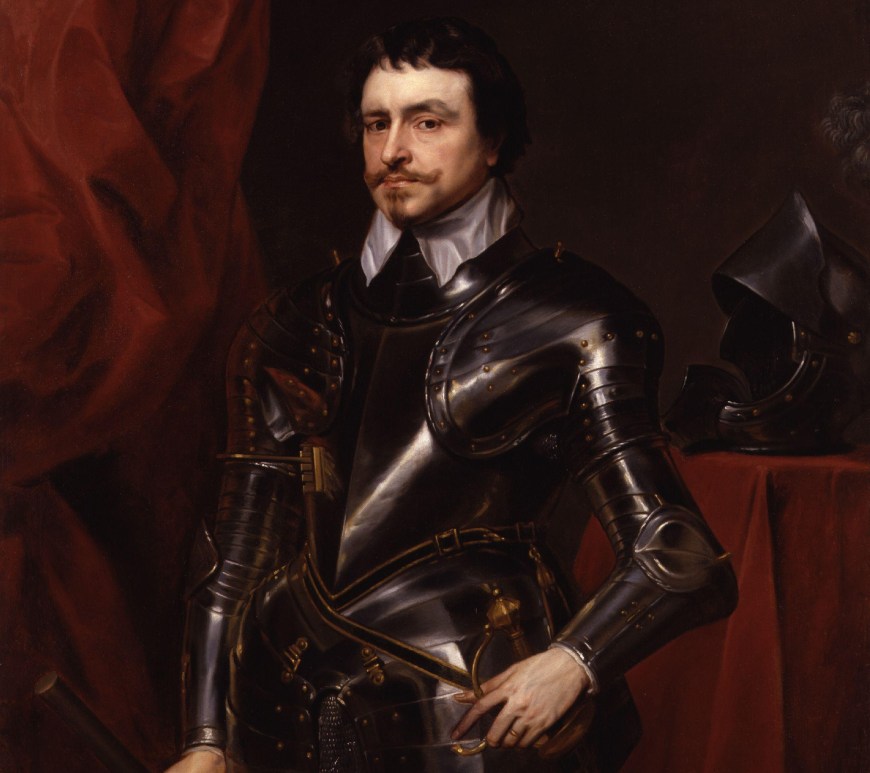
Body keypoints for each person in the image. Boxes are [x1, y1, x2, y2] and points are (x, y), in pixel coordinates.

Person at [168, 17, 737, 773]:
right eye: (377, 124)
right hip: (287, 712)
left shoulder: (577, 317)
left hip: (471, 717)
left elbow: (681, 553)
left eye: (428, 122)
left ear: (492, 140)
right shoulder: (292, 323)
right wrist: (207, 738)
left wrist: (574, 660)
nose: (393, 151)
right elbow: (235, 558)